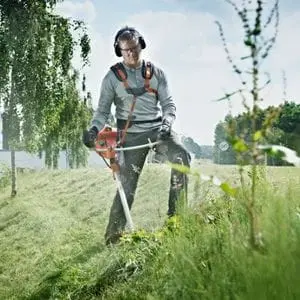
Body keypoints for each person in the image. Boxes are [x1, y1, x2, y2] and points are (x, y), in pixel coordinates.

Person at [83, 26, 191, 245]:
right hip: (130, 135)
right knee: (127, 185)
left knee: (182, 157)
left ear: (141, 45)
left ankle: (176, 222)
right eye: (125, 50)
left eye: (133, 48)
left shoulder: (156, 73)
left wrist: (167, 123)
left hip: (158, 131)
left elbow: (169, 105)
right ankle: (113, 237)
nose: (131, 54)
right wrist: (93, 130)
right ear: (119, 51)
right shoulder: (111, 78)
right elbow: (102, 111)